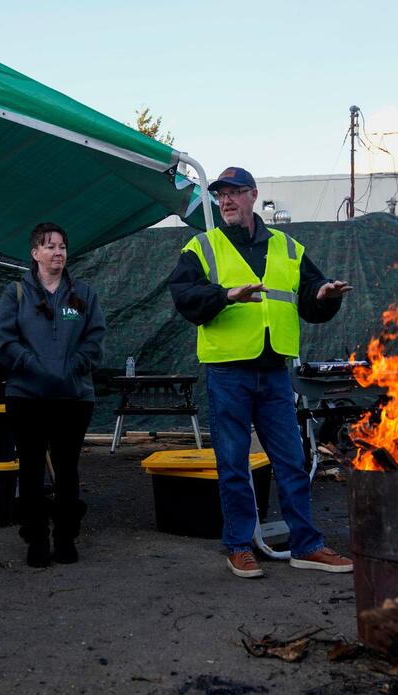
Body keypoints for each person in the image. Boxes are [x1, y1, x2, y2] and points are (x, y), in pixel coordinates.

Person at [169, 167, 354, 579]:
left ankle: (307, 545)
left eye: (235, 193)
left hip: (273, 373)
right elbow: (183, 297)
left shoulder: (288, 247)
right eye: (221, 195)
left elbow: (310, 296)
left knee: (291, 461)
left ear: (254, 196)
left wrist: (324, 295)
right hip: (228, 372)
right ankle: (238, 545)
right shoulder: (202, 247)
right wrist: (224, 295)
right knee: (233, 464)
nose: (227, 201)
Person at [0, 222, 106, 568]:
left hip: (73, 397)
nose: (58, 253)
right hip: (28, 396)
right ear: (35, 253)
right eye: (50, 246)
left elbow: (95, 338)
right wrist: (33, 366)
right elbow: (3, 341)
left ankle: (66, 536)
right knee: (30, 468)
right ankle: (36, 537)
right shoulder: (16, 293)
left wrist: (72, 367)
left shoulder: (84, 293)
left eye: (62, 247)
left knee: (68, 469)